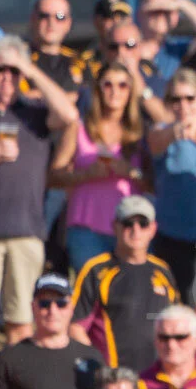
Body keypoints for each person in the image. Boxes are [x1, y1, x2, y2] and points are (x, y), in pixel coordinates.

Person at [0, 37, 80, 365]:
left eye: (13, 72)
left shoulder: (35, 113)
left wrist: (28, 68)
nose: (6, 78)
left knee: (20, 323)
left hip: (27, 231)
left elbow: (69, 115)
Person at [52, 61, 148, 275]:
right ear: (97, 89)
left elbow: (154, 183)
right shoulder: (79, 127)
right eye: (108, 85)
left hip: (131, 229)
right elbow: (53, 177)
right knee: (91, 296)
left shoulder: (140, 132)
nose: (115, 91)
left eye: (123, 85)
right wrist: (85, 175)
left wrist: (131, 173)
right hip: (86, 229)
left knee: (126, 296)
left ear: (131, 91)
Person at [69, 194, 180, 375]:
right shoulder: (96, 270)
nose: (135, 230)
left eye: (142, 224)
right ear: (115, 227)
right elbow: (75, 326)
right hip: (113, 382)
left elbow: (175, 323)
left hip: (157, 378)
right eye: (128, 223)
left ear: (153, 229)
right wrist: (99, 367)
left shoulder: (163, 271)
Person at [147, 68, 196, 299]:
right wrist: (176, 132)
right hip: (172, 235)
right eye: (175, 99)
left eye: (190, 98)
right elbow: (155, 143)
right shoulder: (163, 131)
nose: (183, 105)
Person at [27, 0, 92, 92]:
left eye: (60, 17)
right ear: (33, 19)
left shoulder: (79, 63)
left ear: (68, 23)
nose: (51, 22)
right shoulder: (20, 59)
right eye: (44, 16)